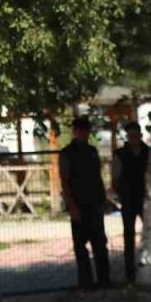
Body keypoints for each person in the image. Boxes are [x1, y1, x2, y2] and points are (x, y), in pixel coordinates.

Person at [58, 116, 111, 290]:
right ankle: (86, 282)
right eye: (81, 130)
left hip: (94, 203)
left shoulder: (92, 151)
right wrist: (71, 206)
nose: (84, 133)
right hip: (78, 204)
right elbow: (64, 182)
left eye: (86, 130)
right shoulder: (66, 153)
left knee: (99, 244)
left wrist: (103, 200)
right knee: (80, 246)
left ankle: (104, 280)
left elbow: (98, 178)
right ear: (75, 132)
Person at [111, 121, 149, 281]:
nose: (133, 139)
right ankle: (129, 271)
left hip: (145, 197)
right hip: (127, 197)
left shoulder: (148, 152)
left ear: (140, 135)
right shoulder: (120, 154)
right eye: (130, 136)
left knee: (149, 231)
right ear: (127, 137)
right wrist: (117, 193)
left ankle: (149, 265)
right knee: (129, 234)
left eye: (136, 135)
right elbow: (115, 175)